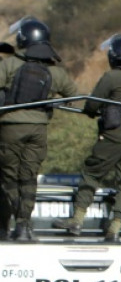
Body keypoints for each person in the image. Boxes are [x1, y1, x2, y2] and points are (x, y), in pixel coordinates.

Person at [53, 34, 121, 240]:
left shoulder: (113, 77)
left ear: (114, 57)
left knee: (91, 173)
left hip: (114, 135)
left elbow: (92, 104)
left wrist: (92, 111)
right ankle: (115, 227)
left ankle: (77, 220)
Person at [0, 16, 79, 240]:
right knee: (28, 178)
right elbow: (74, 96)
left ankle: (19, 222)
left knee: (9, 179)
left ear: (23, 40)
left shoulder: (10, 64)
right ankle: (25, 225)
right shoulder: (56, 72)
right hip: (38, 130)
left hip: (10, 128)